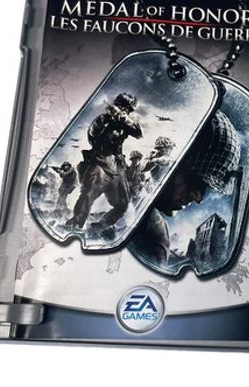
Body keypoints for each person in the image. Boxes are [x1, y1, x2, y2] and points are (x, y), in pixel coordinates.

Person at [131, 110, 239, 266]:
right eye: (195, 181)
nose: (199, 199)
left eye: (204, 188)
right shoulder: (151, 229)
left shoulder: (146, 217)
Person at [71, 93, 142, 232]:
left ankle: (100, 227)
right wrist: (109, 119)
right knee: (87, 196)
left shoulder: (124, 122)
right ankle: (75, 226)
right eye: (123, 108)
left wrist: (126, 120)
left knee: (122, 204)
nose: (125, 111)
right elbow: (92, 135)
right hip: (100, 163)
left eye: (128, 110)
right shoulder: (103, 119)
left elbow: (138, 134)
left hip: (117, 166)